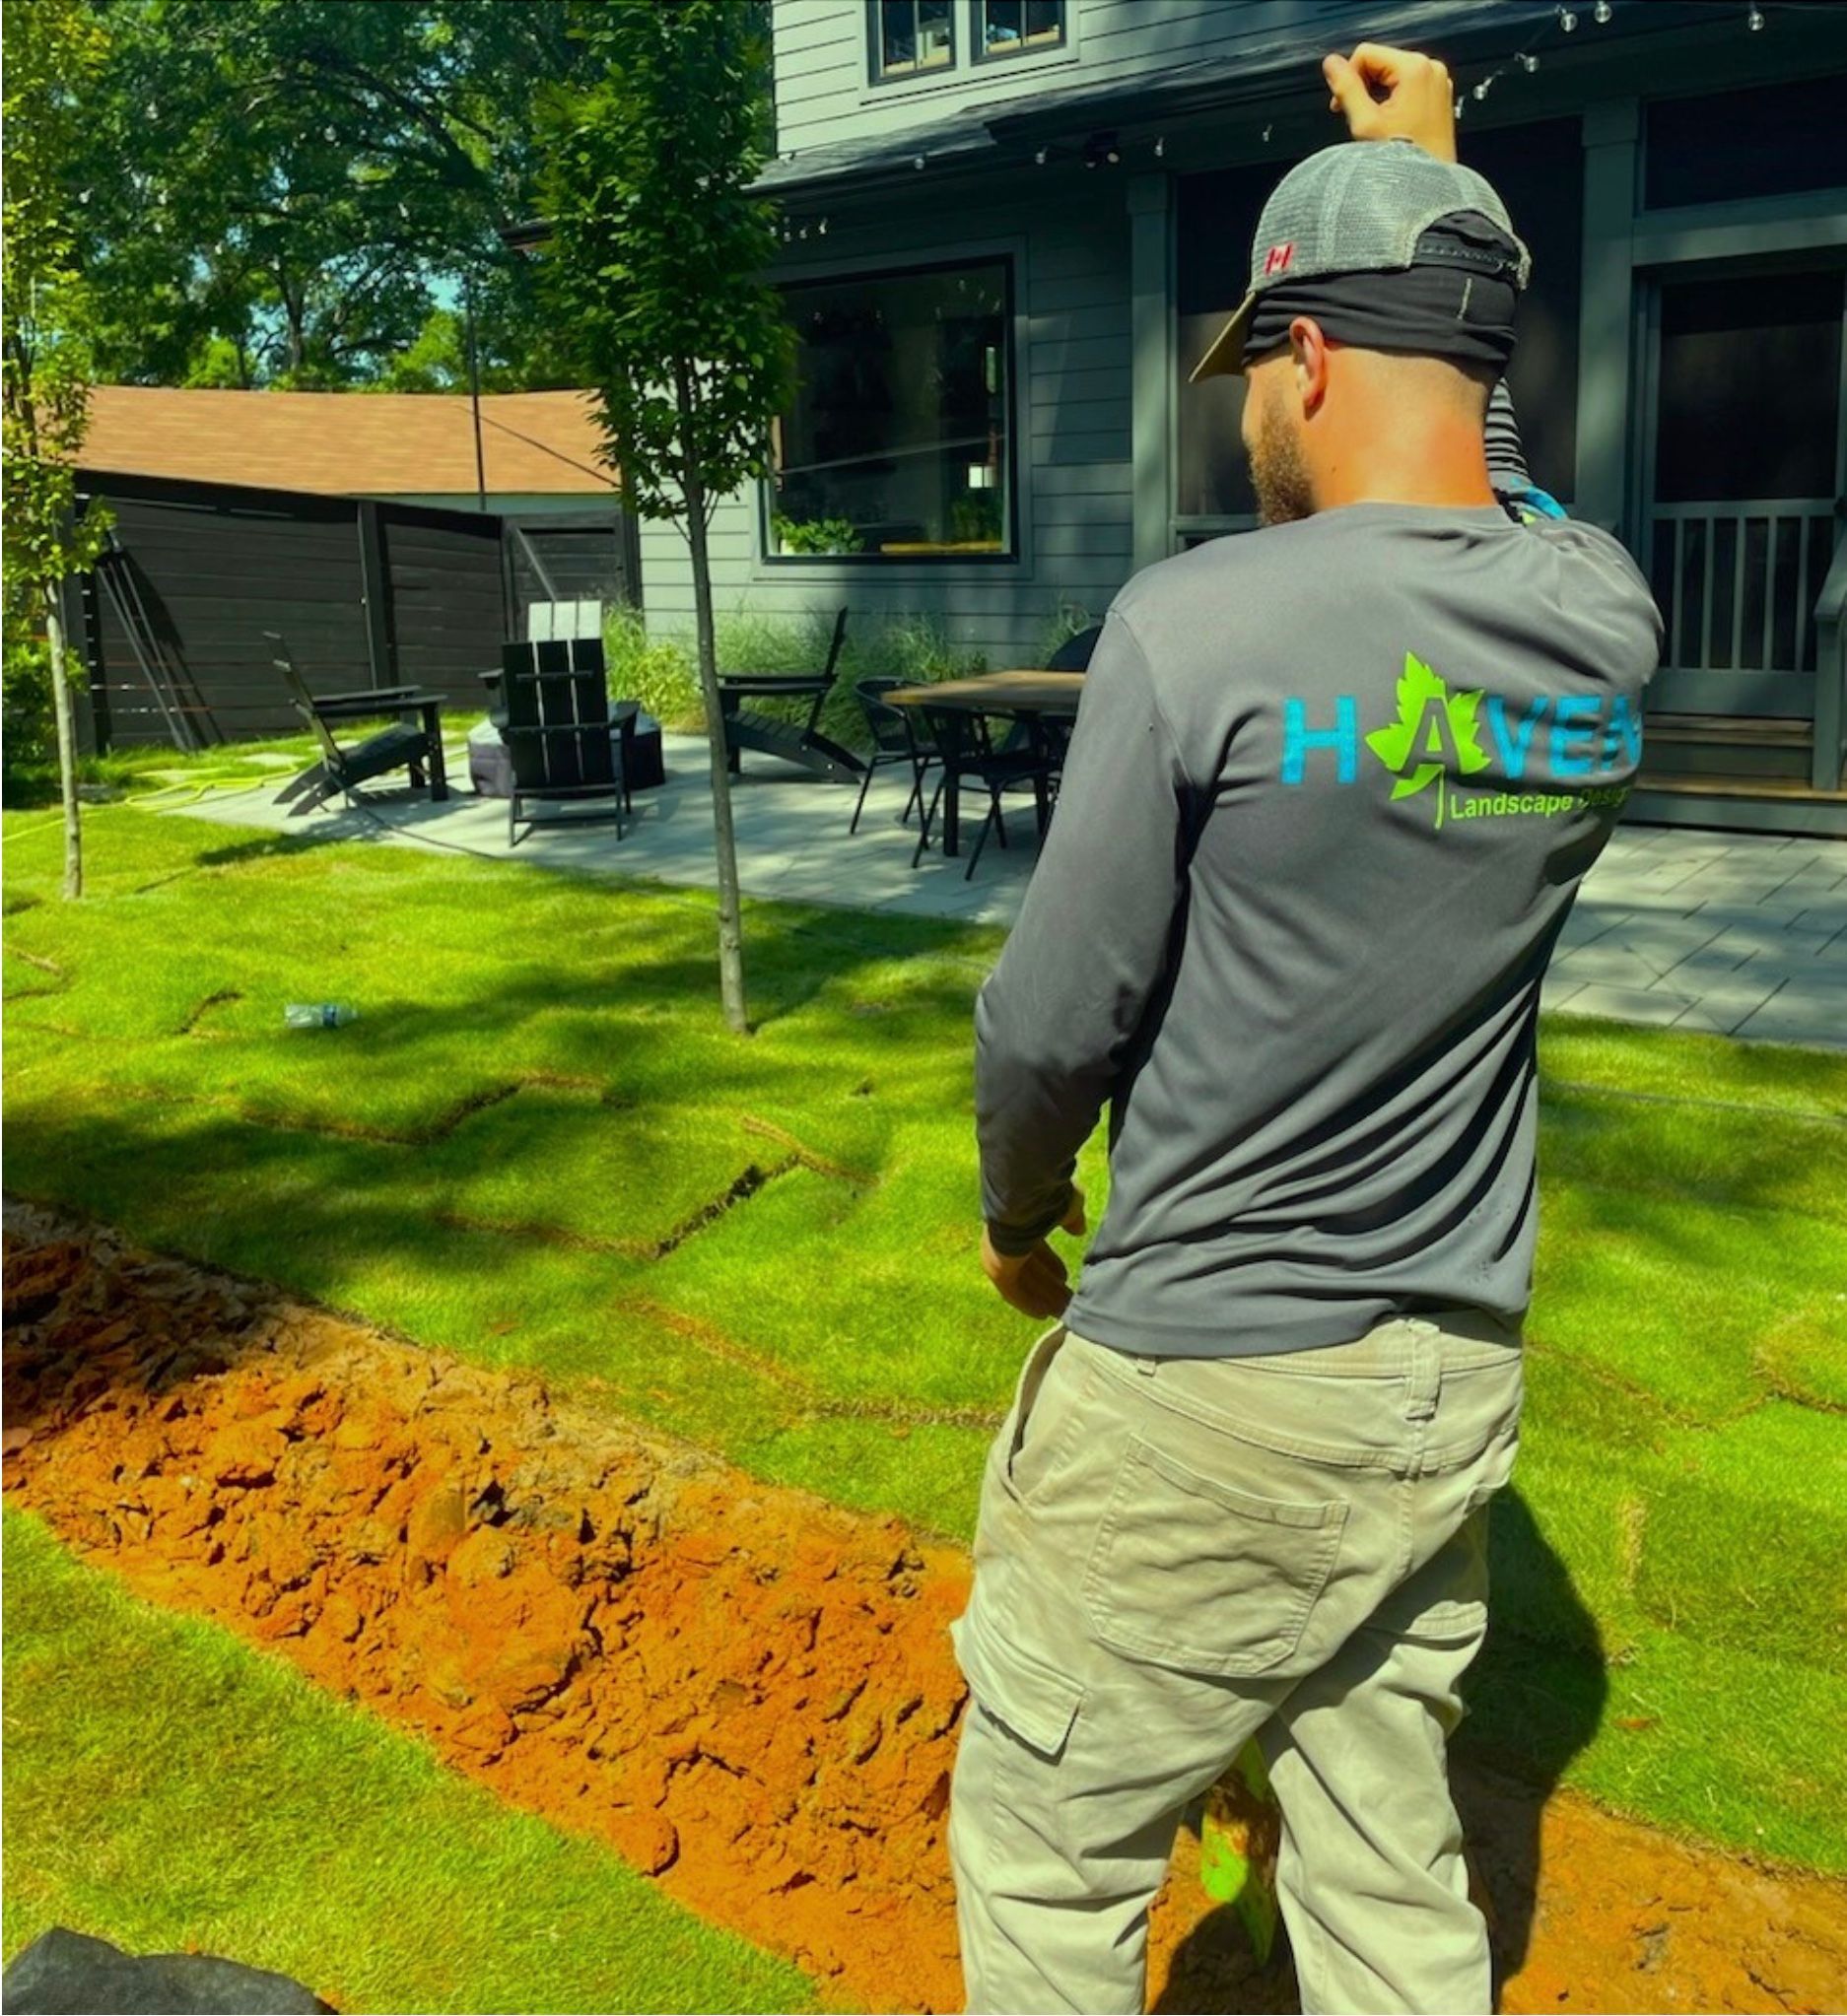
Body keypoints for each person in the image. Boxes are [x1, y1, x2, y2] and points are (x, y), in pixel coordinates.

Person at [949, 43, 1662, 2016]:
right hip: (1441, 1382)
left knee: (1042, 1848)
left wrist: (1015, 1216)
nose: (1247, 414)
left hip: (1205, 1383)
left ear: (1311, 358)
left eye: (1256, 368)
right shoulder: (1599, 621)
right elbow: (1504, 480)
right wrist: (1442, 189)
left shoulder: (1201, 623)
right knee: (1375, 1850)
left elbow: (1047, 1022)